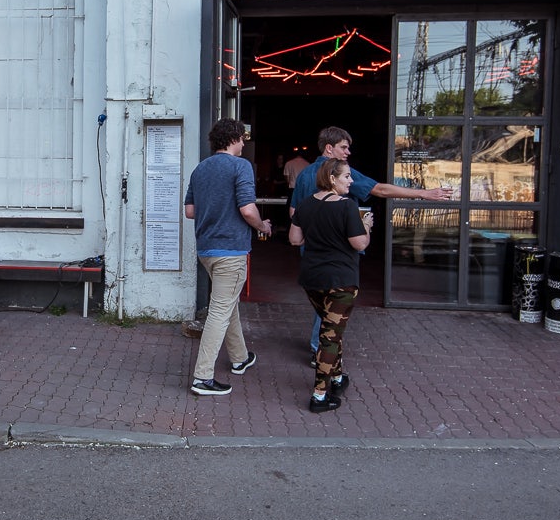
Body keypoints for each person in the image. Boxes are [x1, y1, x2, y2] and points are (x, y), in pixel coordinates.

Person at [290, 125, 454, 361]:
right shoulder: (341, 175)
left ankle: (321, 345)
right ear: (329, 148)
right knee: (333, 303)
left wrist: (308, 236)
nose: (348, 153)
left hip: (312, 252)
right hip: (340, 255)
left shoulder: (306, 174)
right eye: (344, 148)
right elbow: (379, 189)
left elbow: (295, 212)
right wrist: (423, 194)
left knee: (323, 300)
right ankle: (323, 351)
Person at [183, 117, 272, 396]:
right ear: (233, 138)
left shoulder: (200, 169)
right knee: (220, 311)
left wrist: (216, 207)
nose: (245, 142)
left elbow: (190, 211)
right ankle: (202, 377)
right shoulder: (240, 166)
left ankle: (240, 358)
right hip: (231, 251)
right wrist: (262, 226)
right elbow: (247, 209)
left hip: (207, 250)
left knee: (226, 303)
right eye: (242, 137)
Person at [289, 160, 372, 414]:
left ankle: (337, 378)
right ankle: (320, 395)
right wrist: (367, 226)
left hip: (312, 278)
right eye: (347, 176)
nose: (351, 181)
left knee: (330, 328)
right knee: (330, 336)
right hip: (341, 281)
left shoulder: (306, 204)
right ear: (332, 178)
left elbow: (295, 239)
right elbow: (359, 244)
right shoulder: (347, 207)